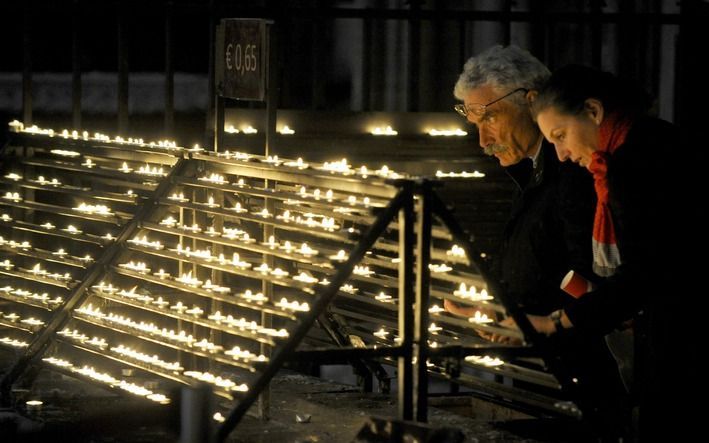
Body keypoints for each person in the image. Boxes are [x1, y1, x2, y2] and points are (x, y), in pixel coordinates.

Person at [449, 46, 628, 439]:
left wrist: (537, 320)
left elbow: (591, 278)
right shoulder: (535, 172)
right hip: (542, 365)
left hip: (581, 376)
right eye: (474, 123)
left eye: (490, 117)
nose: (483, 140)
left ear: (531, 101)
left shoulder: (576, 168)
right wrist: (502, 309)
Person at [528, 64, 703, 441]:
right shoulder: (648, 143)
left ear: (592, 111)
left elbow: (649, 272)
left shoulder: (637, 164)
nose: (560, 154)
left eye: (561, 135)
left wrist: (557, 322)